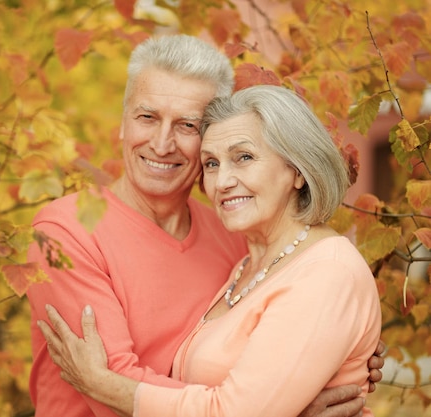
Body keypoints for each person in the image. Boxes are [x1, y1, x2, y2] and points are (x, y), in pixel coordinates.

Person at [26, 34, 384, 417]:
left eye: (187, 125)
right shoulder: (66, 231)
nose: (162, 144)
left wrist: (293, 381)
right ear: (122, 125)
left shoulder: (233, 237)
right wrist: (279, 405)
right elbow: (108, 389)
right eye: (147, 117)